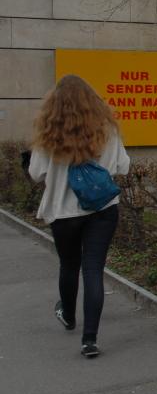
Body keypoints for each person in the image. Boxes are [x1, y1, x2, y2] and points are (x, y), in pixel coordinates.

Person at [28, 75, 130, 358]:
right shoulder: (107, 129)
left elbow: (37, 173)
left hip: (64, 214)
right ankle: (90, 340)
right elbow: (123, 166)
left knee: (69, 265)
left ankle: (69, 315)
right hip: (102, 211)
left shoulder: (49, 133)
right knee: (94, 269)